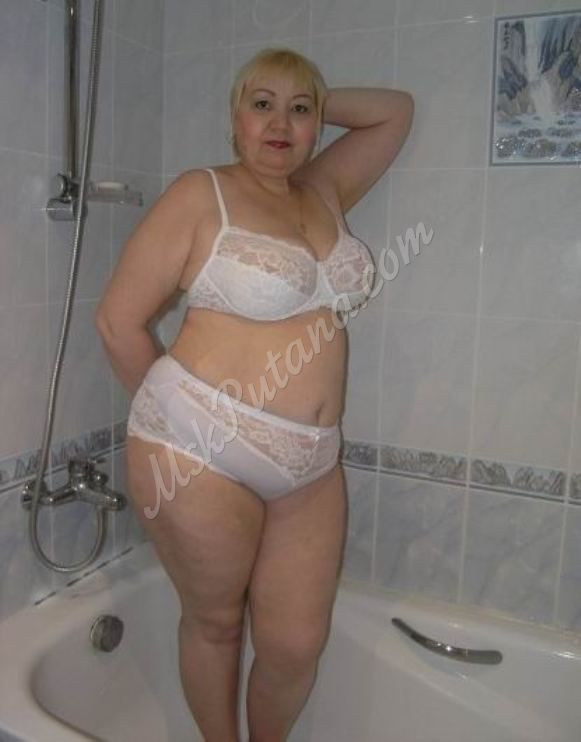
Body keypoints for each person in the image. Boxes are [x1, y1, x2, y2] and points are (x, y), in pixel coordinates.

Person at [96, 47, 413, 742]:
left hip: (311, 464)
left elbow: (394, 113)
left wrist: (315, 98)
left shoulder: (323, 189)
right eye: (261, 104)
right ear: (234, 118)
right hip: (200, 450)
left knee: (295, 645)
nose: (280, 123)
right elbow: (117, 322)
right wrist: (182, 419)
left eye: (299, 110)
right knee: (215, 624)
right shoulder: (200, 193)